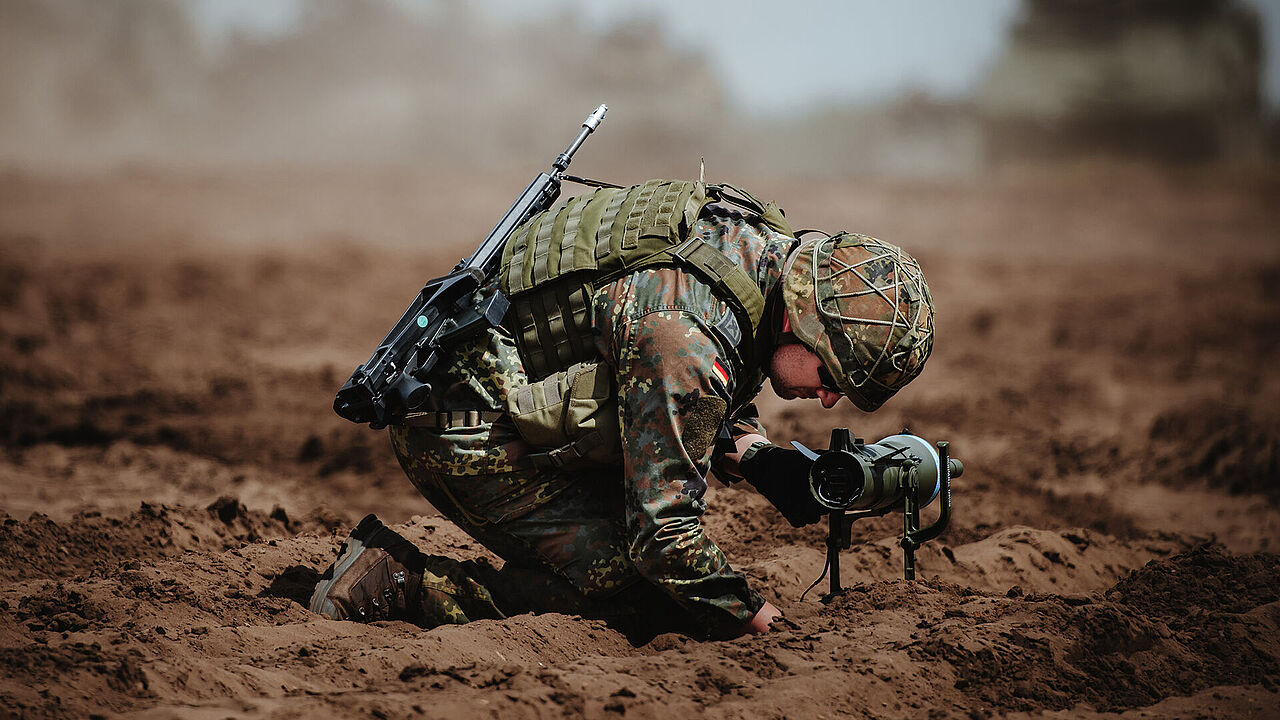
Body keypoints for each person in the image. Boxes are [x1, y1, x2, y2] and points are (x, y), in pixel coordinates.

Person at [309, 179, 934, 640]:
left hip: (515, 386)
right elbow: (663, 540)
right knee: (634, 589)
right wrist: (759, 621)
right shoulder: (686, 338)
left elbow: (694, 368)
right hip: (462, 427)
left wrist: (754, 454)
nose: (827, 399)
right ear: (805, 320)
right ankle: (402, 583)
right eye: (831, 377)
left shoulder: (757, 253)